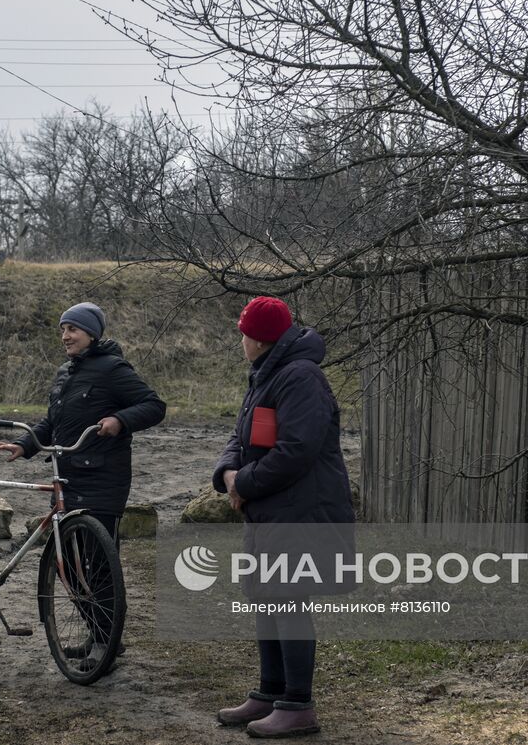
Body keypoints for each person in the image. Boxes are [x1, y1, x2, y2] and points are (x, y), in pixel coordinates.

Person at [0, 301, 166, 668]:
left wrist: (120, 419)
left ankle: (106, 644)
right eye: (63, 329)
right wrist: (24, 444)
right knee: (68, 564)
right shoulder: (66, 373)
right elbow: (52, 422)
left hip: (104, 478)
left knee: (99, 567)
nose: (66, 336)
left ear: (92, 334)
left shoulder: (113, 369)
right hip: (67, 476)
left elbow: (153, 405)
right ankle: (99, 634)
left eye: (73, 329)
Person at [211, 296, 355, 738]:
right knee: (266, 597)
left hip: (301, 511)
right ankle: (270, 693)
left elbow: (297, 451)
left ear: (255, 337)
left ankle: (297, 705)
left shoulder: (300, 377)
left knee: (289, 599)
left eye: (243, 332)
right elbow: (240, 435)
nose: (241, 340)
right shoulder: (267, 374)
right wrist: (230, 473)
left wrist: (245, 484)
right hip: (270, 510)